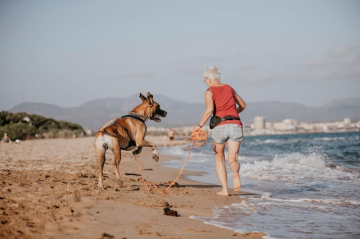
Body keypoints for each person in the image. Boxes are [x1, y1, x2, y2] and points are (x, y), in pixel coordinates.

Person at [192, 65, 246, 196]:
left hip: (220, 127)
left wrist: (198, 126)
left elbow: (210, 110)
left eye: (205, 80)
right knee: (232, 159)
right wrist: (234, 114)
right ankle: (235, 173)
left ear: (208, 79)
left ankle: (225, 190)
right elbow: (243, 105)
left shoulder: (209, 92)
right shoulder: (229, 88)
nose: (205, 82)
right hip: (235, 124)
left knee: (219, 158)